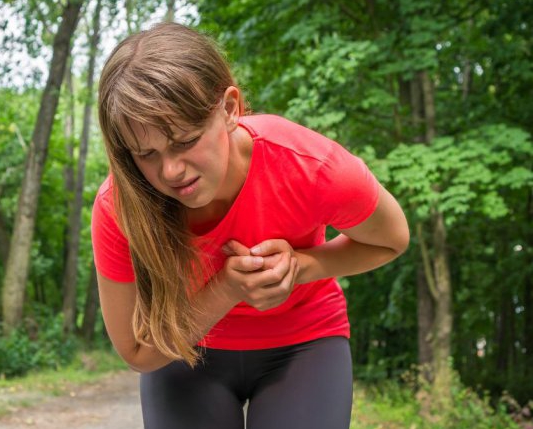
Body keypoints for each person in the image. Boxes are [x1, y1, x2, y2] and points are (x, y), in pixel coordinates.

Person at [91, 22, 409, 429]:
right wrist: (228, 287)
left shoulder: (309, 165)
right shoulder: (119, 205)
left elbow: (393, 239)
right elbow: (137, 351)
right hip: (185, 352)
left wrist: (302, 267)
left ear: (229, 109)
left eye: (185, 141)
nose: (170, 170)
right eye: (146, 154)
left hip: (303, 344)